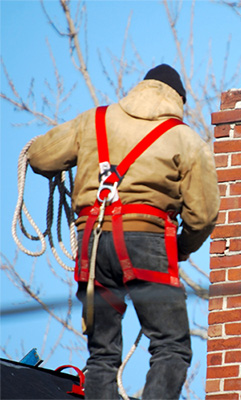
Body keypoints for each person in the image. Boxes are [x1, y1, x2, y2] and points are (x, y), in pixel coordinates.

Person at [27, 64, 220, 400]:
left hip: (93, 242)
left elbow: (40, 157)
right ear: (178, 100)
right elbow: (202, 216)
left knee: (102, 353)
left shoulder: (94, 120)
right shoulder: (184, 138)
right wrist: (183, 247)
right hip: (147, 243)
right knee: (170, 345)